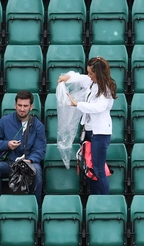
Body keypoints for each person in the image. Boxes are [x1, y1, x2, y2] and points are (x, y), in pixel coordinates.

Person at [57, 57, 118, 195]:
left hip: (100, 133)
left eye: (91, 73)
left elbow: (99, 107)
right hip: (90, 132)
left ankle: (105, 200)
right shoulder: (92, 82)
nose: (89, 75)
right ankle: (96, 198)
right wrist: (67, 77)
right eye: (89, 72)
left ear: (99, 73)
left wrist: (78, 104)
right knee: (90, 167)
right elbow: (80, 78)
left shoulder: (106, 89)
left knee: (98, 169)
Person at [0, 90, 47, 206]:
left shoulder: (38, 125)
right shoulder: (5, 121)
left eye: (25, 106)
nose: (22, 109)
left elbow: (40, 149)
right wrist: (7, 144)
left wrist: (30, 160)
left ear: (31, 106)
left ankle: (36, 206)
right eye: (19, 105)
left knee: (37, 170)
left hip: (29, 163)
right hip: (9, 163)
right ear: (15, 105)